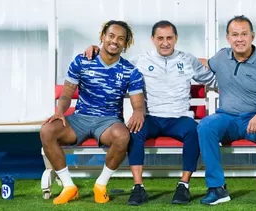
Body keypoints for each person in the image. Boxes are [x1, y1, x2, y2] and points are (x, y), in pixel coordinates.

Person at [84, 20, 216, 205]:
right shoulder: (141, 61)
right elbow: (114, 64)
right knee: (135, 131)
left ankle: (183, 185)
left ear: (176, 38)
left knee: (194, 130)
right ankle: (138, 187)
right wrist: (97, 49)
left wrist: (220, 64)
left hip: (179, 117)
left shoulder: (187, 60)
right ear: (153, 39)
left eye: (169, 38)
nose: (165, 42)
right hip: (151, 117)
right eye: (160, 38)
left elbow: (213, 80)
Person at [40, 20, 145, 205]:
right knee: (47, 130)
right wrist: (60, 112)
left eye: (121, 38)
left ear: (126, 43)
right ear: (103, 36)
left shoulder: (131, 70)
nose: (115, 41)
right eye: (111, 36)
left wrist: (138, 111)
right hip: (80, 118)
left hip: (109, 121)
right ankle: (68, 187)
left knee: (122, 136)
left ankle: (101, 185)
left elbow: (137, 103)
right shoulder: (82, 60)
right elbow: (66, 93)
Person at [197, 15, 256, 207]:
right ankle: (217, 188)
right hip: (227, 118)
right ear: (228, 38)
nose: (240, 39)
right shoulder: (222, 56)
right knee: (205, 125)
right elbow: (204, 63)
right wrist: (175, 59)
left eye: (244, 34)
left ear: (252, 36)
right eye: (235, 34)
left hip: (254, 121)